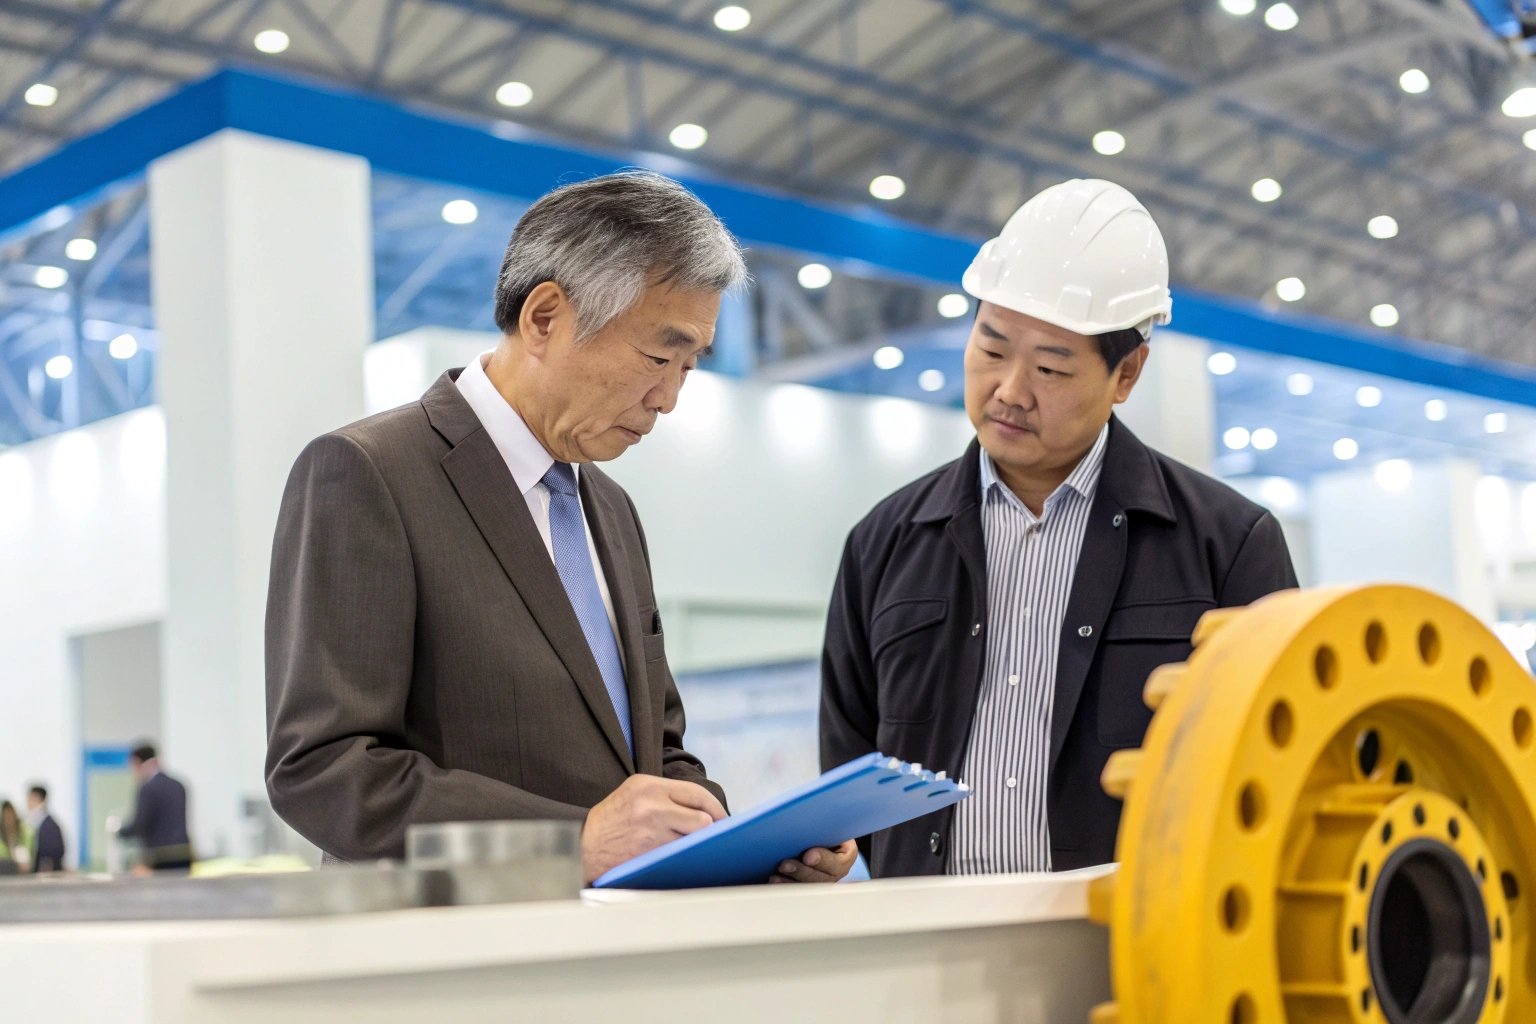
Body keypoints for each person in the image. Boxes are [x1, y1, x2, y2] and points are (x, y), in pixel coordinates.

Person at [266, 171, 855, 886]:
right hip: (458, 974)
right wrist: (567, 841)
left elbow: (654, 756)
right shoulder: (370, 475)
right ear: (545, 318)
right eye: (658, 357)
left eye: (690, 366)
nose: (669, 398)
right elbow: (325, 771)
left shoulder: (608, 510)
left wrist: (744, 846)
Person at [821, 178, 1298, 878]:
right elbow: (849, 761)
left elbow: (1275, 756)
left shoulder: (1226, 545)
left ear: (1127, 372)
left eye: (1049, 367)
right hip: (923, 948)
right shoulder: (884, 544)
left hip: (1126, 948)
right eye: (990, 349)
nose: (1010, 390)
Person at [118, 743, 194, 872]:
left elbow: (140, 824)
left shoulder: (147, 788)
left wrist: (120, 831)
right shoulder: (179, 785)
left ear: (137, 762)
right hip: (184, 854)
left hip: (160, 857)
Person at [25, 785, 66, 873]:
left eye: (29, 798)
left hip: (47, 874)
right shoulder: (38, 823)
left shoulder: (49, 826)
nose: (27, 802)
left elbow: (52, 854)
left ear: (36, 798)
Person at [0, 800, 31, 873]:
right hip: (5, 871)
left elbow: (29, 853)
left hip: (23, 871)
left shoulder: (24, 830)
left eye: (10, 814)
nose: (9, 817)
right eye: (6, 815)